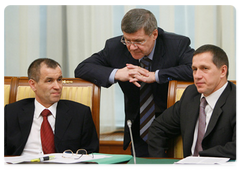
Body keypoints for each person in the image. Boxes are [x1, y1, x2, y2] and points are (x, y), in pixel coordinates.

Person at [75, 8, 194, 157]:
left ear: (154, 34)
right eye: (127, 40)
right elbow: (82, 68)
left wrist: (155, 75)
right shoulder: (115, 47)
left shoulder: (176, 44)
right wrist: (118, 73)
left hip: (175, 123)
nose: (132, 47)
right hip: (139, 125)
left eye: (138, 41)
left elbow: (195, 70)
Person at [148, 44, 237, 160]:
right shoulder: (191, 94)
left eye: (205, 68)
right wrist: (160, 163)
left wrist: (199, 159)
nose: (197, 76)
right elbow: (158, 128)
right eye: (194, 69)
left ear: (223, 71)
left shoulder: (235, 100)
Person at [2, 58, 99, 156]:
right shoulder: (12, 112)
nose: (57, 86)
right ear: (33, 84)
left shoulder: (80, 113)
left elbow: (91, 154)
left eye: (59, 80)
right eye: (49, 81)